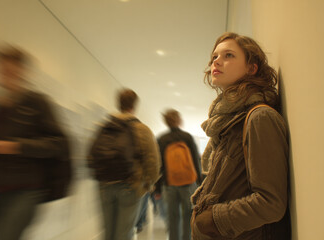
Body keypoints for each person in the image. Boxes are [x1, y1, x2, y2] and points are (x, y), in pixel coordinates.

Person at [190, 32, 290, 240]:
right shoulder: (228, 122)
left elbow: (271, 203)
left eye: (228, 55)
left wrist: (214, 219)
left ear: (251, 68)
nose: (217, 61)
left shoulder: (259, 118)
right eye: (215, 56)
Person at [0, 45, 70, 240]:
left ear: (23, 71)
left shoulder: (37, 102)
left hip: (27, 189)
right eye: (2, 69)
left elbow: (58, 144)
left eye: (11, 69)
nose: (6, 74)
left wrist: (15, 146)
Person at [87, 88, 161, 240]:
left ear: (118, 103)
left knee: (108, 232)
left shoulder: (104, 126)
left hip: (104, 185)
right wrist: (148, 185)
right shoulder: (142, 129)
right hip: (130, 186)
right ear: (134, 106)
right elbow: (153, 162)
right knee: (124, 233)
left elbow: (90, 155)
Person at [156, 109, 202, 240]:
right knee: (188, 214)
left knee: (172, 216)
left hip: (169, 183)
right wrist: (199, 182)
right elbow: (195, 161)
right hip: (188, 183)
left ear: (166, 122)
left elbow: (159, 166)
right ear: (179, 120)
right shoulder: (187, 137)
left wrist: (158, 188)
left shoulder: (162, 139)